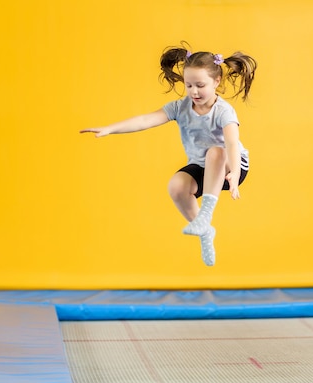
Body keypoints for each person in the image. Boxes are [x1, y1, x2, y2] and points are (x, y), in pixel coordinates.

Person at [80, 43, 257, 266]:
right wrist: (110, 128)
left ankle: (205, 215)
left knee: (215, 151)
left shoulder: (223, 111)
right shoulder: (180, 107)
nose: (194, 91)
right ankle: (205, 232)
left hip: (232, 165)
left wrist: (234, 176)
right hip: (202, 167)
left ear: (216, 82)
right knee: (176, 186)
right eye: (189, 85)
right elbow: (146, 120)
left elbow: (231, 143)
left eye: (200, 85)